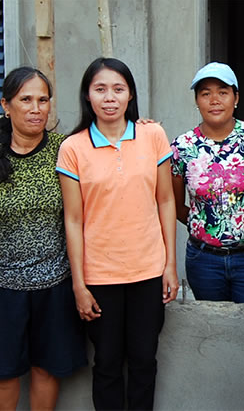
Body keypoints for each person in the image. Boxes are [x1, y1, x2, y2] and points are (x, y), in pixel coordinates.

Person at [0, 67, 87, 410]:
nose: (36, 108)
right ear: (6, 105)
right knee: (2, 374)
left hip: (55, 283)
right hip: (1, 286)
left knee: (46, 370)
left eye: (43, 100)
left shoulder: (66, 150)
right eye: (25, 99)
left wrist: (143, 125)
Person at [56, 57, 178, 410]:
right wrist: (79, 283)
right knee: (106, 363)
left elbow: (166, 202)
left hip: (148, 270)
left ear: (130, 95)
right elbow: (73, 220)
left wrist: (170, 265)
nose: (110, 97)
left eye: (118, 89)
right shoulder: (73, 148)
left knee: (143, 360)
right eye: (100, 89)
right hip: (100, 276)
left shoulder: (153, 135)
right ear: (87, 96)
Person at [171, 62, 244, 304]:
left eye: (223, 92)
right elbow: (174, 203)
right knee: (212, 331)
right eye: (205, 93)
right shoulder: (183, 146)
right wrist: (203, 224)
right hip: (204, 261)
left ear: (236, 98)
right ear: (197, 100)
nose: (214, 100)